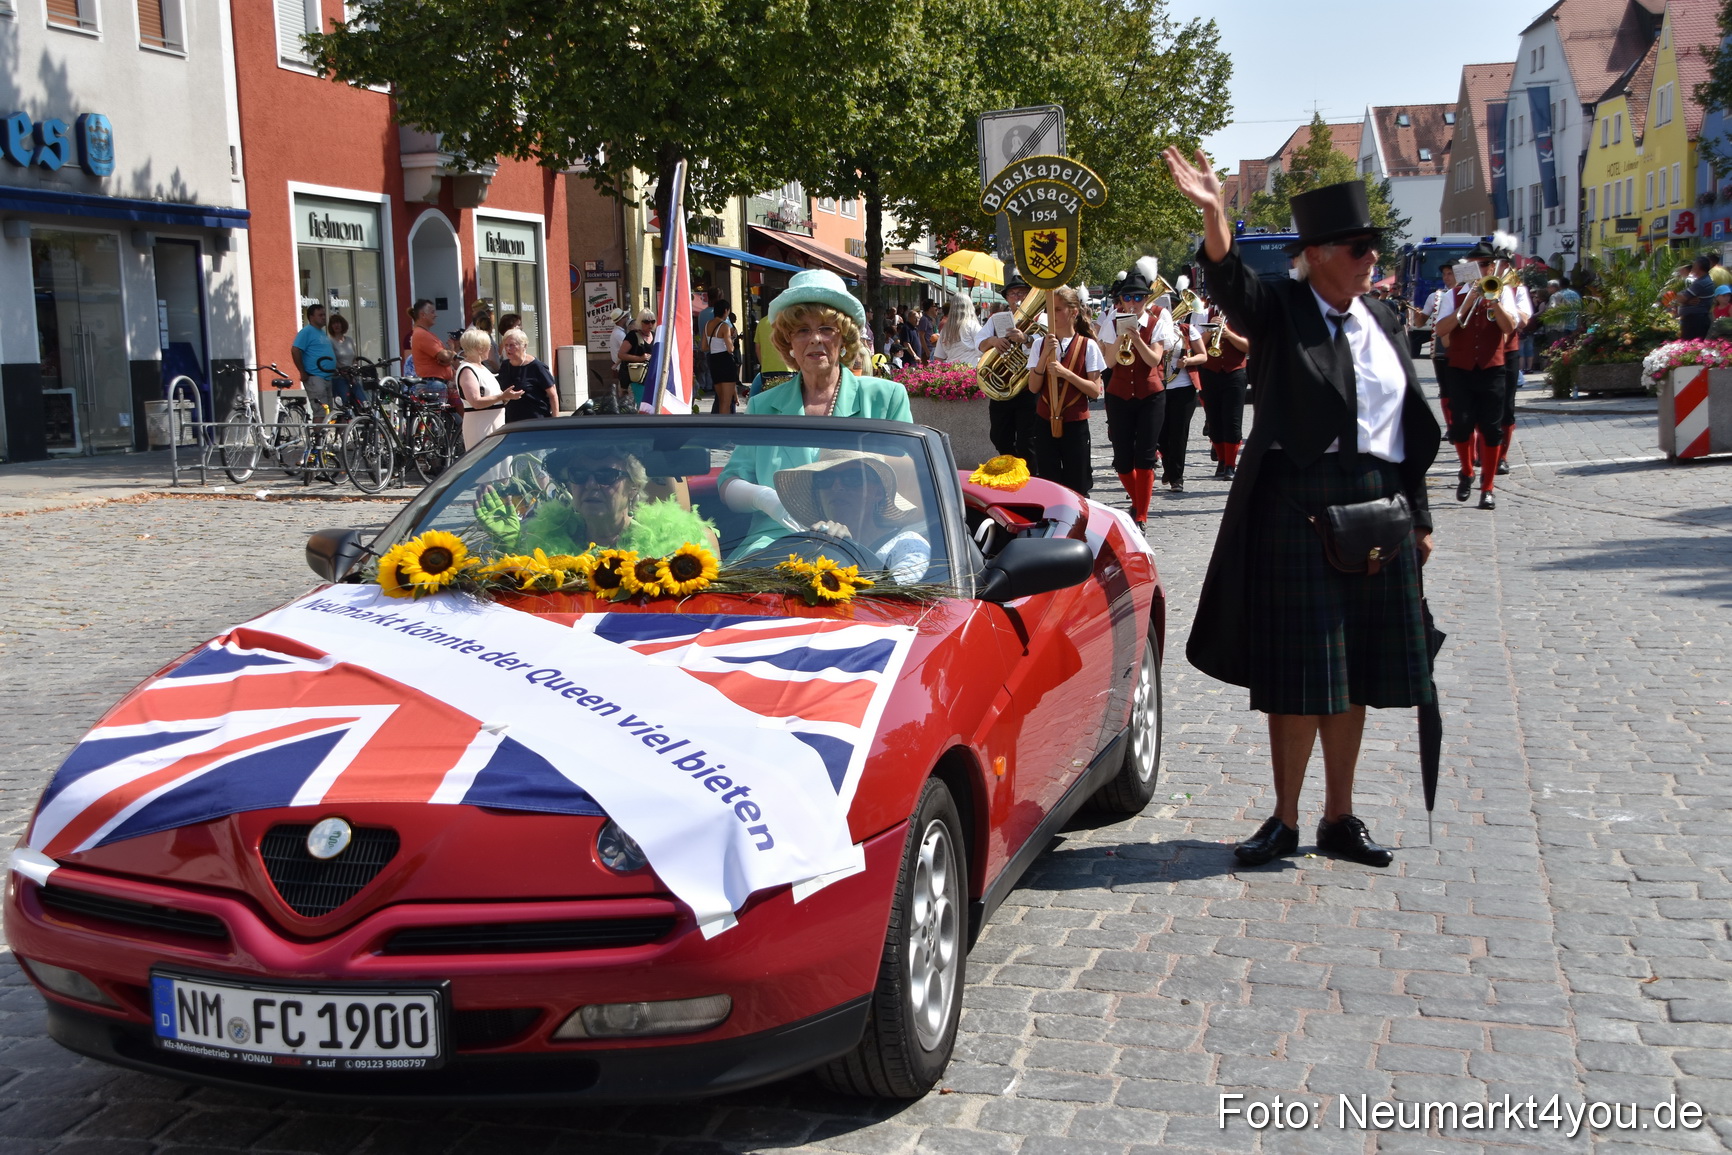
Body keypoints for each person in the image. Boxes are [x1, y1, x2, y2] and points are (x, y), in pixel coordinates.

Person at [1164, 150, 1442, 870]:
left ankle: (1338, 817)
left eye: (1372, 246)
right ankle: (1285, 818)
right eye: (1357, 248)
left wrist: (1419, 512)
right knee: (1299, 675)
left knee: (1353, 672)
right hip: (1300, 505)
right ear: (1315, 255)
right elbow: (1232, 286)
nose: (1369, 258)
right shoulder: (1284, 310)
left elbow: (1403, 424)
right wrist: (1214, 214)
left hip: (1377, 507)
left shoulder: (1381, 315)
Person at [718, 269, 913, 557]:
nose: (815, 339)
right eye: (803, 330)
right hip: (773, 546)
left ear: (844, 339)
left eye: (826, 329)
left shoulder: (885, 398)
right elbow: (729, 482)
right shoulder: (763, 405)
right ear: (789, 342)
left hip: (862, 547)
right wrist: (766, 499)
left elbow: (909, 484)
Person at [478, 446, 716, 558]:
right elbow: (515, 599)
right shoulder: (542, 541)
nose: (591, 484)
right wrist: (506, 546)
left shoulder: (673, 546)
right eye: (579, 476)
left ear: (633, 485)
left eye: (606, 476)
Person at [1435, 241, 1518, 509]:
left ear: (1493, 267)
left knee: (1492, 429)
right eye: (1475, 265)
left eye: (1485, 265)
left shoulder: (1502, 292)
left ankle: (1488, 487)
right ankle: (1467, 471)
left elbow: (1509, 328)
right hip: (1460, 369)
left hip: (1492, 368)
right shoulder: (1453, 295)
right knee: (1461, 425)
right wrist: (1467, 302)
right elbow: (1441, 330)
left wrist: (1494, 304)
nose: (1481, 270)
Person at [774, 451, 931, 583]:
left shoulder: (907, 545)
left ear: (878, 492)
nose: (837, 487)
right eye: (825, 479)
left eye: (853, 478)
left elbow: (901, 601)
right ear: (818, 493)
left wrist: (847, 550)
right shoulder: (807, 547)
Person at [1102, 260, 1173, 526]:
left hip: (1150, 395)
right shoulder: (1112, 319)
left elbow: (1154, 360)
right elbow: (1109, 362)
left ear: (1146, 299)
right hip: (1119, 395)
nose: (1133, 303)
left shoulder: (1157, 320)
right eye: (1128, 297)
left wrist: (1138, 336)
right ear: (1121, 298)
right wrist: (1122, 335)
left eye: (1139, 298)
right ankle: (1138, 500)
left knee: (1145, 456)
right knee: (1121, 461)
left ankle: (1141, 516)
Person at [1025, 285, 1105, 496]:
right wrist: (1044, 356)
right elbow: (1033, 387)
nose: (1053, 315)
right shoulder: (1040, 345)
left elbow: (1095, 391)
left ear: (1074, 312)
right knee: (1049, 480)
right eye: (1050, 309)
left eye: (1058, 309)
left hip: (1075, 421)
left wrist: (1066, 374)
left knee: (1077, 480)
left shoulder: (1088, 346)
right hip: (1044, 419)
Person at [976, 271, 1044, 462]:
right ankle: (1013, 468)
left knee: (1027, 440)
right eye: (1013, 294)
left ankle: (1031, 478)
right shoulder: (997, 319)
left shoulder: (1042, 320)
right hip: (1003, 386)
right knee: (998, 437)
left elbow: (1049, 343)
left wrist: (1027, 338)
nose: (1017, 297)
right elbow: (979, 344)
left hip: (1029, 387)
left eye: (1022, 293)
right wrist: (994, 340)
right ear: (1006, 297)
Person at [1156, 300, 1208, 492]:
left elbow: (1203, 355)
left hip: (1183, 387)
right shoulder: (1153, 331)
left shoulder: (1187, 330)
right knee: (1160, 434)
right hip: (1158, 388)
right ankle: (1169, 468)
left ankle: (1177, 477)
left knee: (1178, 434)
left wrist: (1188, 360)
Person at [1198, 307, 1250, 482]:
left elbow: (1249, 346)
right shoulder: (1204, 312)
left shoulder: (1243, 313)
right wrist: (1208, 332)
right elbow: (1195, 346)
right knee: (1214, 420)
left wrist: (1229, 335)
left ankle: (1230, 464)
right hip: (1210, 372)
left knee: (1233, 420)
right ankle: (1221, 461)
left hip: (1234, 373)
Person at [455, 327, 521, 450]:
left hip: (493, 425)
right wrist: (502, 396)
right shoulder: (467, 370)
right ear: (479, 348)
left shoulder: (482, 367)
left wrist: (506, 397)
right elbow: (475, 402)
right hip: (481, 427)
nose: (490, 349)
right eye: (488, 346)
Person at [499, 328, 558, 424]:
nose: (508, 349)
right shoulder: (505, 366)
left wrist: (555, 422)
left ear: (524, 346)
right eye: (506, 345)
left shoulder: (537, 367)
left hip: (536, 421)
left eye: (512, 345)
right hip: (511, 422)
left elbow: (553, 394)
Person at [291, 304, 337, 414]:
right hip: (315, 377)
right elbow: (295, 350)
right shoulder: (307, 331)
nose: (324, 317)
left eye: (324, 315)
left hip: (327, 377)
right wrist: (302, 371)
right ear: (311, 317)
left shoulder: (322, 333)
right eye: (320, 315)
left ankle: (324, 431)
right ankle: (317, 432)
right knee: (320, 411)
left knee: (328, 412)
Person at [409, 299, 456, 403]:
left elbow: (444, 358)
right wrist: (452, 349)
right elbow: (445, 356)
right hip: (433, 384)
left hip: (435, 383)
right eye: (432, 312)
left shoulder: (424, 334)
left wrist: (447, 359)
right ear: (422, 315)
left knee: (444, 417)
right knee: (437, 417)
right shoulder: (422, 334)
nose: (435, 315)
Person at [705, 297, 742, 414]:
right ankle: (724, 428)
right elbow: (730, 349)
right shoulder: (725, 326)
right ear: (726, 310)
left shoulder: (707, 325)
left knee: (720, 399)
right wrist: (731, 338)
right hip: (725, 361)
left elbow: (704, 347)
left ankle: (719, 425)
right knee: (726, 402)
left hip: (713, 361)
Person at [933, 291, 982, 365]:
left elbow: (938, 357)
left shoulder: (945, 330)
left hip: (953, 372)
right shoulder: (972, 325)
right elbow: (984, 347)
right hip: (972, 370)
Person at [618, 310, 655, 409]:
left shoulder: (655, 335)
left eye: (653, 322)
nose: (650, 325)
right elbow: (621, 354)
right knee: (640, 407)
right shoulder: (632, 336)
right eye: (646, 322)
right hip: (636, 379)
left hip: (652, 378)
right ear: (640, 322)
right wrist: (640, 358)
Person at [1679, 255, 1716, 340]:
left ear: (1698, 267)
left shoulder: (1701, 283)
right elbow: (1685, 298)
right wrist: (1687, 301)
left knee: (1691, 345)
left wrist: (1673, 295)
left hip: (1695, 321)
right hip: (1697, 319)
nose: (1692, 267)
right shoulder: (1704, 280)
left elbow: (1682, 298)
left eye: (1694, 265)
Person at [470, 306, 501, 372]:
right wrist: (499, 370)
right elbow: (492, 359)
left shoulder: (477, 338)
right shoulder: (487, 340)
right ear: (490, 327)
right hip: (491, 371)